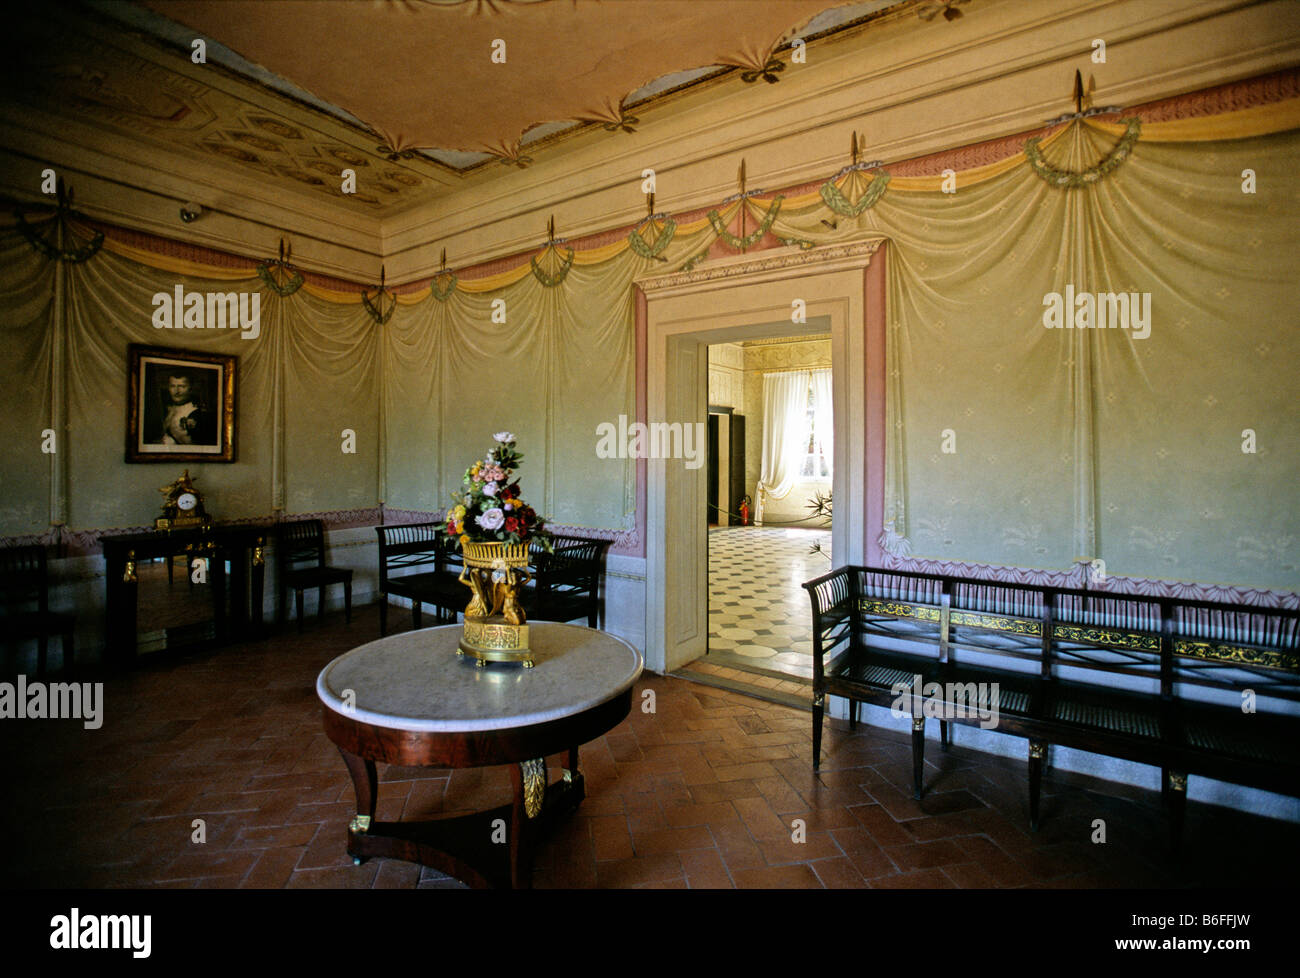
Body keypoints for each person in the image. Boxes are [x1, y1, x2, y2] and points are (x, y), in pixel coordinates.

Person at [149, 370, 216, 445]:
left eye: (182, 386)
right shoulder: (167, 408)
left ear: (190, 389)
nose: (176, 391)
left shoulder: (197, 414)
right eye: (172, 386)